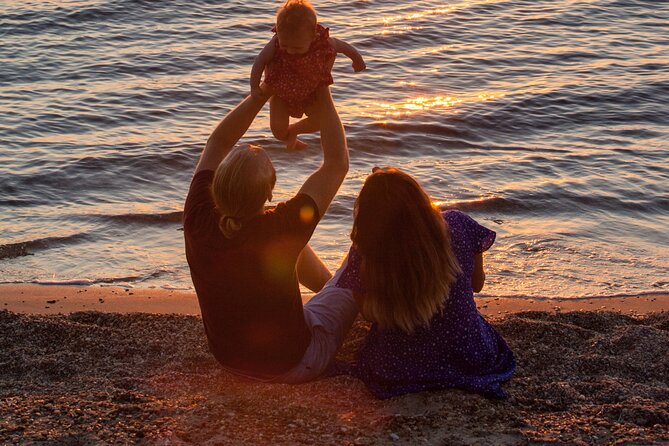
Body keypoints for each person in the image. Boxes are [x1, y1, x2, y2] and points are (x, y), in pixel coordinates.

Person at [183, 85, 358, 383]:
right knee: (360, 258)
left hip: (229, 360)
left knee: (289, 249)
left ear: (217, 185)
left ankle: (328, 288)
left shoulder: (197, 216)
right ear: (268, 193)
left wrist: (261, 93)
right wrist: (322, 88)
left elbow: (219, 140)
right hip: (294, 364)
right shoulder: (278, 229)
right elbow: (336, 164)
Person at [334, 167, 516, 399]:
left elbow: (369, 314)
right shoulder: (458, 224)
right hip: (469, 355)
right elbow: (477, 284)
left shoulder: (366, 250)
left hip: (399, 366)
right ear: (420, 200)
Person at [250, 0, 366, 150]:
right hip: (280, 93)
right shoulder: (275, 43)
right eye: (285, 46)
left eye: (297, 48)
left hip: (309, 92)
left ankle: (294, 131)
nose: (290, 51)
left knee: (319, 121)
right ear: (278, 33)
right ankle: (288, 137)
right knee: (278, 131)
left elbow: (344, 47)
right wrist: (254, 87)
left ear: (312, 36)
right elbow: (260, 61)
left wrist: (357, 60)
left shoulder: (323, 42)